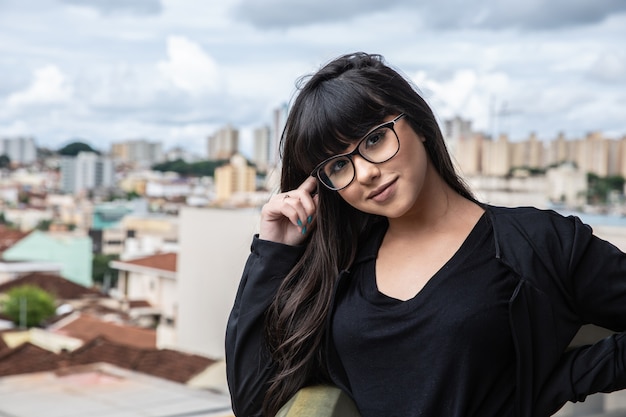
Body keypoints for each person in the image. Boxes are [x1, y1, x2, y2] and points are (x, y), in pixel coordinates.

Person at [225, 52, 626, 417]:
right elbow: (254, 403)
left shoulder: (536, 242)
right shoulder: (339, 270)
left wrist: (559, 383)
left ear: (417, 123)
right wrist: (272, 250)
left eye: (375, 138)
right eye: (338, 165)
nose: (365, 172)